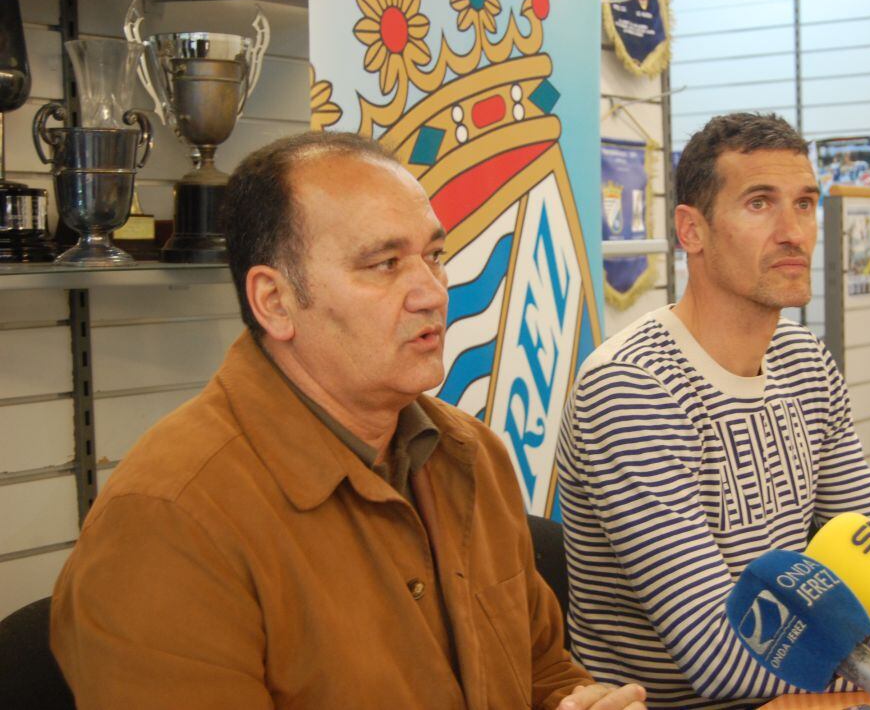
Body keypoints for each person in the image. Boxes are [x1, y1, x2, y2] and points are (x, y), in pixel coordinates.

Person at [50, 132, 647, 710]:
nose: (432, 292)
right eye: (385, 264)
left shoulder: (470, 455)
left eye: (433, 256)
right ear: (275, 302)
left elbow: (542, 668)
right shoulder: (169, 520)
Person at [555, 112, 870, 708]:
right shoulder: (632, 388)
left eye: (804, 204)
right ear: (692, 230)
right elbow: (721, 656)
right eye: (760, 204)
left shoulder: (802, 357)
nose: (793, 233)